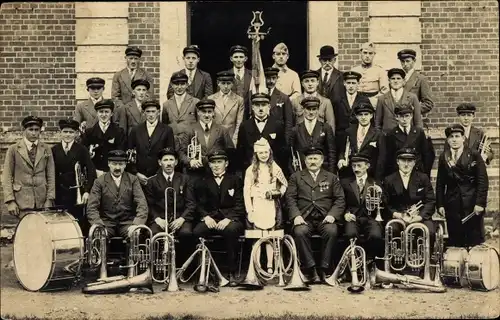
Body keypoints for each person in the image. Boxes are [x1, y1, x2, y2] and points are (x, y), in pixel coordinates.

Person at [285, 146, 346, 284]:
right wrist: (296, 216)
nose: (312, 161)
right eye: (310, 159)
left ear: (322, 160)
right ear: (305, 161)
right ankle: (311, 269)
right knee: (300, 232)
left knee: (332, 230)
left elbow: (340, 199)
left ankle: (324, 269)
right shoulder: (296, 177)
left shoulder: (331, 177)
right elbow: (290, 199)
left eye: (315, 159)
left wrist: (332, 215)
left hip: (325, 218)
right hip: (304, 218)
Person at [191, 150, 245, 286]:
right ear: (209, 165)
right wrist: (205, 217)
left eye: (219, 162)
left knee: (231, 231)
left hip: (230, 219)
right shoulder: (202, 181)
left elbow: (240, 204)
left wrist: (229, 218)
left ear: (226, 164)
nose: (216, 165)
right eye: (213, 162)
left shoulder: (236, 180)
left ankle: (231, 272)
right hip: (210, 218)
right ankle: (202, 273)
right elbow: (197, 204)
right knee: (197, 232)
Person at [436, 124, 488, 247]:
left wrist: (480, 203)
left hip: (471, 204)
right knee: (455, 241)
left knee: (474, 241)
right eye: (451, 137)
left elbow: (482, 181)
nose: (454, 139)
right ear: (448, 140)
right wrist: (440, 204)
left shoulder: (474, 155)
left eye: (457, 136)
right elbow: (440, 183)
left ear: (463, 138)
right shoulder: (444, 157)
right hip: (452, 204)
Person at [243, 138, 288, 273]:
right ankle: (256, 266)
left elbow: (285, 184)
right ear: (256, 154)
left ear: (270, 152)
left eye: (266, 152)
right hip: (256, 205)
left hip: (270, 206)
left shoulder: (275, 167)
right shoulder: (250, 170)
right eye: (261, 153)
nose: (264, 155)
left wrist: (277, 193)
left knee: (271, 236)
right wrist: (249, 209)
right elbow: (246, 191)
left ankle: (270, 265)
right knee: (257, 236)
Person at [143, 148, 194, 261]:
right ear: (159, 162)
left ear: (176, 162)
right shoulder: (152, 181)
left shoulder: (185, 179)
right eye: (165, 160)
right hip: (160, 219)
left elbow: (191, 203)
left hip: (180, 217)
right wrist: (157, 219)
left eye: (171, 160)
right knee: (154, 234)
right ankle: (156, 270)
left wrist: (182, 219)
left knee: (186, 234)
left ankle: (182, 269)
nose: (169, 163)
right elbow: (149, 204)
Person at [86, 150, 149, 238]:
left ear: (125, 165)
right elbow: (91, 207)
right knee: (99, 236)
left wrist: (136, 224)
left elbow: (142, 204)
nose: (117, 168)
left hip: (127, 223)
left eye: (121, 164)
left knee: (136, 235)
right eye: (114, 164)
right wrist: (99, 225)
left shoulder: (133, 180)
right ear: (108, 164)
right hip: (106, 223)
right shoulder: (99, 181)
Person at [2, 116, 55, 218]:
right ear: (24, 130)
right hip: (21, 202)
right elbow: (7, 176)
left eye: (37, 130)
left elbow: (51, 176)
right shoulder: (13, 149)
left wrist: (50, 199)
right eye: (30, 130)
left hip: (42, 201)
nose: (34, 133)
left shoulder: (46, 149)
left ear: (40, 131)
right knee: (25, 231)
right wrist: (10, 201)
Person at [383, 148, 436, 248]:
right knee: (391, 230)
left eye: (410, 161)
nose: (406, 164)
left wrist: (420, 216)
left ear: (414, 162)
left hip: (419, 216)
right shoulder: (388, 180)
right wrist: (397, 214)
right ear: (397, 161)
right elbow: (385, 203)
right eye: (403, 160)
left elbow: (430, 201)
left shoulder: (423, 178)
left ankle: (424, 260)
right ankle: (397, 261)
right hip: (398, 217)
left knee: (430, 231)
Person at [52, 119, 96, 236]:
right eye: (65, 131)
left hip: (76, 193)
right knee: (60, 223)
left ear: (76, 134)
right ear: (60, 132)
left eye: (71, 132)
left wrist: (86, 191)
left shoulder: (82, 149)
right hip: (59, 193)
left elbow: (91, 171)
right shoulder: (54, 150)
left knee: (78, 223)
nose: (68, 135)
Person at [340, 152, 384, 265]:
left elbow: (384, 203)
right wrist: (345, 214)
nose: (356, 169)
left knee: (376, 235)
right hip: (353, 217)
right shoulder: (345, 182)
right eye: (354, 166)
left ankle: (369, 261)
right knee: (351, 235)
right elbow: (340, 201)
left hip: (371, 217)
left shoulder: (376, 182)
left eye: (359, 166)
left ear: (367, 166)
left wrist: (380, 196)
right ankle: (355, 263)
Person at [180, 99, 234, 179]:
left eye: (209, 112)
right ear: (198, 113)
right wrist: (190, 161)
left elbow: (230, 151)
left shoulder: (222, 130)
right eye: (204, 112)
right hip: (196, 174)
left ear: (213, 113)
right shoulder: (189, 130)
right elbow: (181, 151)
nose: (207, 115)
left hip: (216, 173)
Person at [236, 93, 287, 174]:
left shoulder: (277, 125)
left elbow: (282, 151)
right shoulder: (245, 126)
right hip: (251, 170)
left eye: (263, 105)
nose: (260, 108)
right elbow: (241, 152)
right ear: (252, 107)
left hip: (272, 170)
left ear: (269, 107)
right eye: (257, 105)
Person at [127, 100, 175, 185]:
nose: (151, 114)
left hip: (159, 176)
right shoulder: (136, 130)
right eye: (148, 112)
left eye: (153, 111)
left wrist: (159, 174)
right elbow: (129, 154)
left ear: (158, 112)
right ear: (144, 113)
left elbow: (170, 155)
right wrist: (136, 173)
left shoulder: (167, 130)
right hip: (139, 176)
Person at [337, 102, 384, 181]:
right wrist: (341, 158)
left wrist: (377, 178)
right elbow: (342, 150)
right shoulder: (349, 131)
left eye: (366, 114)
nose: (363, 117)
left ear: (371, 116)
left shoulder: (378, 134)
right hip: (350, 173)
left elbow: (381, 158)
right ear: (356, 116)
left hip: (370, 174)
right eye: (360, 115)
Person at [381, 105, 430, 178]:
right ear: (396, 117)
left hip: (416, 172)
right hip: (398, 173)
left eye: (407, 116)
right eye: (401, 116)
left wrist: (425, 174)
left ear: (411, 116)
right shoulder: (391, 134)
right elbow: (388, 157)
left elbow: (426, 154)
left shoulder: (419, 132)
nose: (404, 119)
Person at [289, 96, 336, 174]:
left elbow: (331, 153)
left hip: (322, 172)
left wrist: (330, 174)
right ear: (303, 110)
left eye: (314, 109)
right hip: (302, 173)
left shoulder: (326, 128)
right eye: (308, 109)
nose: (311, 112)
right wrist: (295, 174)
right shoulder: (295, 130)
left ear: (318, 110)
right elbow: (291, 154)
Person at [80, 99, 126, 177]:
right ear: (97, 113)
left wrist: (110, 171)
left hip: (113, 173)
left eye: (106, 112)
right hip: (94, 173)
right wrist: (94, 171)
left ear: (111, 114)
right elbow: (84, 155)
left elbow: (121, 154)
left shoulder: (119, 132)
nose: (103, 115)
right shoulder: (89, 133)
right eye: (101, 112)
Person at [332, 71, 371, 160]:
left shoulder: (364, 100)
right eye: (348, 83)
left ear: (358, 84)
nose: (351, 86)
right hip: (340, 137)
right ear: (344, 83)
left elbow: (370, 121)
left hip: (357, 136)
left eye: (353, 83)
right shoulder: (337, 100)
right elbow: (334, 119)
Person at [375, 68, 423, 133]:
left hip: (407, 137)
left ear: (404, 81)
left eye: (398, 78)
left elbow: (418, 121)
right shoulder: (382, 99)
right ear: (389, 81)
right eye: (393, 79)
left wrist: (416, 137)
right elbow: (378, 123)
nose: (395, 81)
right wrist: (380, 138)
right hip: (388, 137)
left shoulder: (412, 97)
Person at [161, 72, 200, 149]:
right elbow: (164, 126)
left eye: (182, 84)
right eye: (176, 84)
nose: (179, 87)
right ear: (172, 85)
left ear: (187, 85)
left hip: (190, 143)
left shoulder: (195, 102)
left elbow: (199, 125)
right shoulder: (166, 104)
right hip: (172, 142)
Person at [208, 71, 244, 146]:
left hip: (231, 136)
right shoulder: (211, 99)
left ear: (232, 84)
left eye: (228, 83)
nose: (226, 86)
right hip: (215, 136)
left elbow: (239, 122)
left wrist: (235, 138)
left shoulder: (239, 100)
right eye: (223, 83)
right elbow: (208, 120)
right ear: (218, 83)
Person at [397, 49, 434, 120]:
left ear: (414, 61)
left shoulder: (420, 79)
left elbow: (428, 103)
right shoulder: (396, 78)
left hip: (412, 119)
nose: (405, 64)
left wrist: (413, 109)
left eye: (408, 61)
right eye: (402, 61)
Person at [351, 42, 389, 107]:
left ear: (374, 54)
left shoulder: (380, 71)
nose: (367, 56)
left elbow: (385, 91)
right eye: (365, 53)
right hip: (356, 102)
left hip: (373, 103)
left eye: (370, 53)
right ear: (360, 53)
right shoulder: (354, 70)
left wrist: (372, 101)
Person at [265, 67, 294, 145]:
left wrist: (286, 140)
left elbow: (288, 121)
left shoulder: (284, 97)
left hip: (278, 137)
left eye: (273, 78)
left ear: (277, 78)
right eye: (268, 78)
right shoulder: (258, 95)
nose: (271, 81)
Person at [225, 45, 253, 119]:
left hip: (248, 114)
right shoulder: (225, 76)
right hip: (230, 115)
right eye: (236, 57)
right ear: (231, 59)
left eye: (241, 57)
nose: (238, 60)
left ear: (245, 58)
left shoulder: (252, 75)